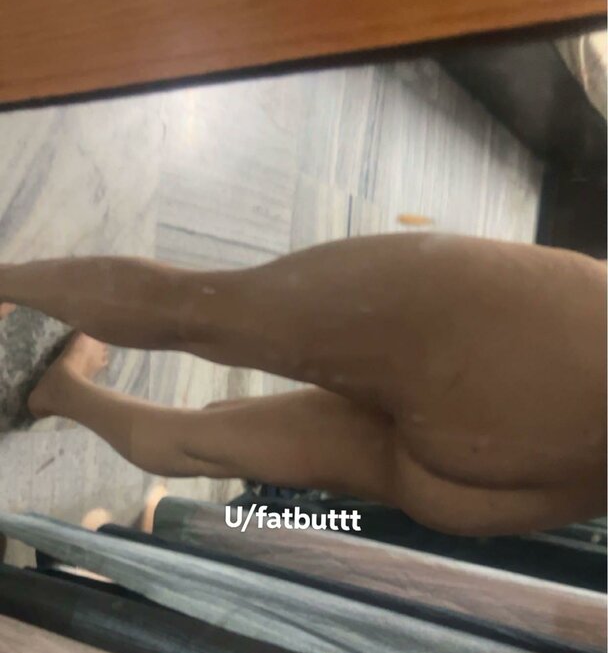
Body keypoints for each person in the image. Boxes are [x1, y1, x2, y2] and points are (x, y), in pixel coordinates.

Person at [0, 233, 605, 536]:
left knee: (193, 309)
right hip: (540, 493)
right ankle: (62, 392)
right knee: (206, 445)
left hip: (558, 355)